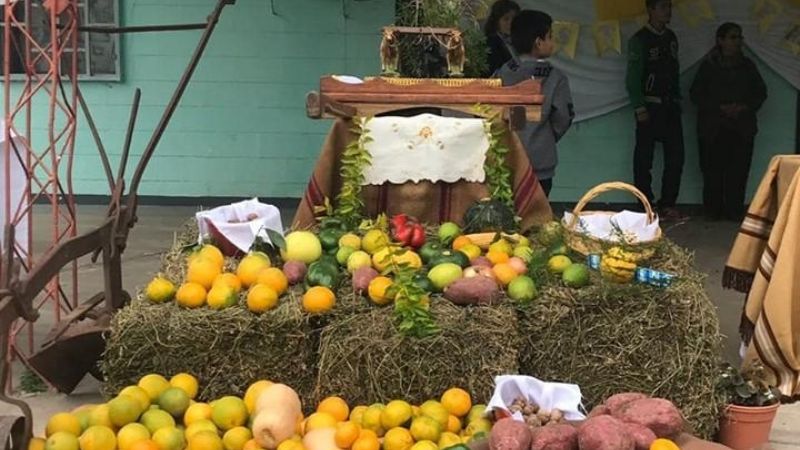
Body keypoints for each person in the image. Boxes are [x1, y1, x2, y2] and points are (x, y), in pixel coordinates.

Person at [690, 23, 767, 221]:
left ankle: (734, 211)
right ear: (721, 40)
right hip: (713, 128)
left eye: (739, 37)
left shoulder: (747, 66)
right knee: (712, 172)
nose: (737, 42)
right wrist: (719, 108)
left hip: (741, 128)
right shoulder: (709, 66)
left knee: (738, 172)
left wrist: (742, 107)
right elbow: (696, 94)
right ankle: (713, 211)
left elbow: (760, 93)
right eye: (733, 37)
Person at [496, 10, 575, 197]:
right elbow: (563, 116)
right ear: (538, 43)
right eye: (550, 37)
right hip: (541, 160)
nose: (553, 42)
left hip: (506, 157)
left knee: (507, 213)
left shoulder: (502, 73)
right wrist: (546, 136)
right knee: (537, 216)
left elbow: (491, 109)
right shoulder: (555, 78)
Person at [625, 0, 685, 220]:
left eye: (669, 7)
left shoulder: (671, 38)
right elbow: (632, 77)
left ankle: (668, 204)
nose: (667, 12)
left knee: (676, 156)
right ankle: (645, 205)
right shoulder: (640, 39)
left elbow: (675, 70)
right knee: (644, 158)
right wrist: (639, 106)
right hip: (649, 104)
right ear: (650, 10)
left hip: (670, 105)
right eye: (662, 7)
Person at [484, 0, 521, 77]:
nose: (511, 23)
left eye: (514, 19)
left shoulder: (518, 43)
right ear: (496, 22)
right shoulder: (490, 44)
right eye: (506, 19)